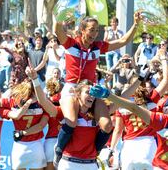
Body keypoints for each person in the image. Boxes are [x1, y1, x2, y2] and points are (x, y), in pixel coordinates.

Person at [53, 13, 141, 166]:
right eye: (91, 30)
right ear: (82, 29)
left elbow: (123, 40)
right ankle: (59, 149)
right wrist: (61, 15)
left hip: (90, 89)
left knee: (107, 125)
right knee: (72, 121)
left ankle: (96, 151)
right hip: (72, 88)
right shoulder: (70, 43)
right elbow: (57, 30)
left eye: (96, 31)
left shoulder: (98, 47)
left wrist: (135, 24)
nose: (94, 34)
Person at [109, 50, 168, 170]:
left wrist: (111, 150)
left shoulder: (121, 104)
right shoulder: (151, 99)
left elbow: (118, 130)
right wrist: (163, 60)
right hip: (148, 145)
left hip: (129, 146)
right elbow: (166, 80)